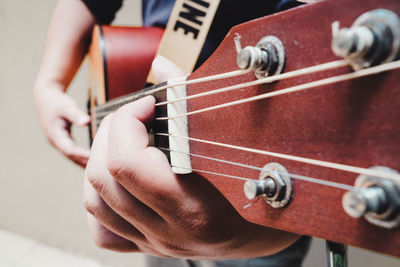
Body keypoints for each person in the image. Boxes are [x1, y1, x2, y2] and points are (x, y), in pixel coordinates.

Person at [34, 0, 311, 266]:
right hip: (150, 182)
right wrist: (50, 83)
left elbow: (310, 41)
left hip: (253, 189)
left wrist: (278, 224)